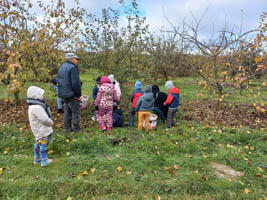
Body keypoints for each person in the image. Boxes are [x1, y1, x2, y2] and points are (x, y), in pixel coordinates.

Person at [27, 86, 54, 167]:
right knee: (43, 144)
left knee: (37, 142)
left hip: (37, 129)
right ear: (36, 96)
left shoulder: (32, 106)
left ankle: (37, 158)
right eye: (42, 95)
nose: (43, 97)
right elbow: (44, 119)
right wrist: (51, 123)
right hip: (41, 129)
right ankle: (44, 161)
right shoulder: (37, 107)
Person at [57, 53, 83, 133]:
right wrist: (78, 95)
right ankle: (77, 130)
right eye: (76, 59)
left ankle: (67, 129)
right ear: (71, 59)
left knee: (67, 112)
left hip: (64, 93)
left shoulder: (61, 67)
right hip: (71, 94)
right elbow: (75, 83)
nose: (77, 61)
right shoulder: (73, 68)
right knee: (76, 112)